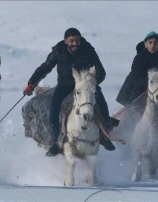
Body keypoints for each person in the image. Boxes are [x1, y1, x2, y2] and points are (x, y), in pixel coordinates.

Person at [23, 27, 115, 157]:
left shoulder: (88, 49)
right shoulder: (58, 50)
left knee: (100, 100)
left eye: (77, 40)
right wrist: (32, 83)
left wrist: (91, 82)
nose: (75, 43)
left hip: (85, 85)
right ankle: (56, 141)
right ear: (66, 41)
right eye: (71, 41)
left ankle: (105, 134)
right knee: (54, 108)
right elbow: (45, 67)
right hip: (65, 84)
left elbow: (101, 71)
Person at [116, 31, 158, 167]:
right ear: (145, 44)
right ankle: (126, 150)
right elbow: (135, 78)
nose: (152, 45)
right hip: (138, 94)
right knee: (129, 120)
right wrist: (152, 79)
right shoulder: (139, 57)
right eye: (150, 42)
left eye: (155, 42)